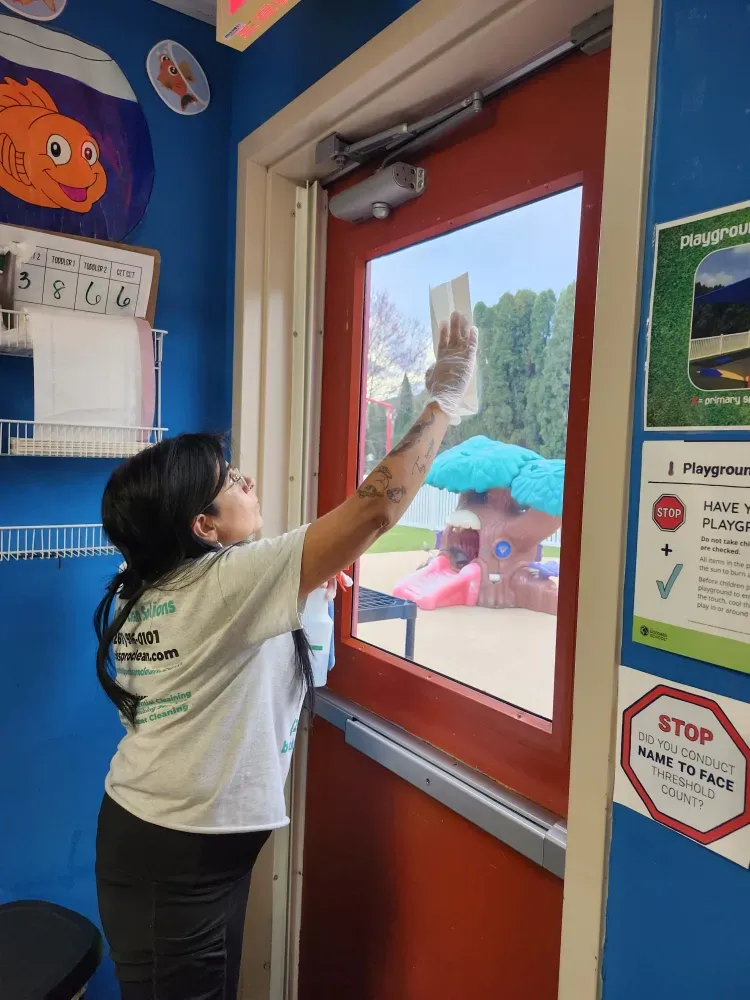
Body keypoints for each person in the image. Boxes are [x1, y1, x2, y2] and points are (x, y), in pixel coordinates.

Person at [94, 311, 477, 999]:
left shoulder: (150, 587)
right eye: (229, 480)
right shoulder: (224, 583)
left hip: (181, 842)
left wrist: (309, 596)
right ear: (202, 526)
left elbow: (289, 676)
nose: (246, 482)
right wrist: (444, 400)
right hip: (173, 857)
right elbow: (373, 512)